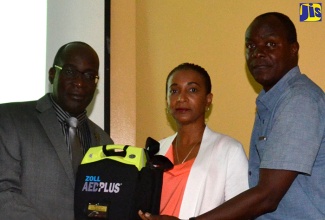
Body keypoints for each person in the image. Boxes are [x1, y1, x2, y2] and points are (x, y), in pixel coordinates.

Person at [138, 12, 325, 220]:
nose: (258, 53)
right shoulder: (269, 104)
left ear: (293, 49)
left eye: (270, 44)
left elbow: (268, 196)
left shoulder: (299, 100)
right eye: (251, 46)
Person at [0, 41, 114, 220]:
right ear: (52, 75)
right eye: (70, 72)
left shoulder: (105, 142)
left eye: (89, 75)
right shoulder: (10, 118)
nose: (79, 83)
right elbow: (3, 192)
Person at [139, 63, 249, 219]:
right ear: (167, 100)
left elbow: (243, 214)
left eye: (192, 90)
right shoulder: (156, 150)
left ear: (208, 99)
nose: (181, 98)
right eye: (174, 91)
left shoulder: (229, 150)